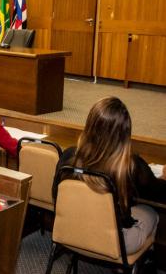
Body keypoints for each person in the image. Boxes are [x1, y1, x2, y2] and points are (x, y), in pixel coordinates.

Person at [54, 97, 165, 254]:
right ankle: (143, 264)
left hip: (70, 231)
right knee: (150, 211)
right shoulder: (131, 166)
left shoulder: (68, 157)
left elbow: (55, 196)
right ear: (125, 133)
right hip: (116, 243)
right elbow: (160, 194)